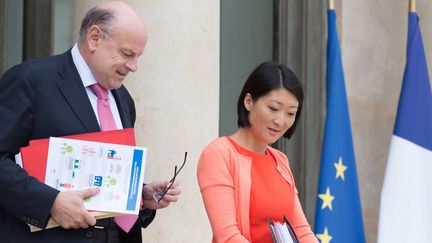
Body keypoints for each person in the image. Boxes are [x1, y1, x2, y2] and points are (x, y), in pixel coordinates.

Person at [0, 1, 180, 243]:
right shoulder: (31, 80)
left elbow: (100, 170)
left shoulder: (123, 99)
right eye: (127, 54)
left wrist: (139, 194)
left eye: (138, 57)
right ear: (94, 37)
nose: (134, 67)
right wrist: (51, 202)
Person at [197, 62, 318, 242]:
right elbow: (228, 236)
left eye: (291, 113)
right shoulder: (219, 154)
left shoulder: (280, 161)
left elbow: (301, 231)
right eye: (273, 108)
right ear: (248, 102)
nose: (280, 121)